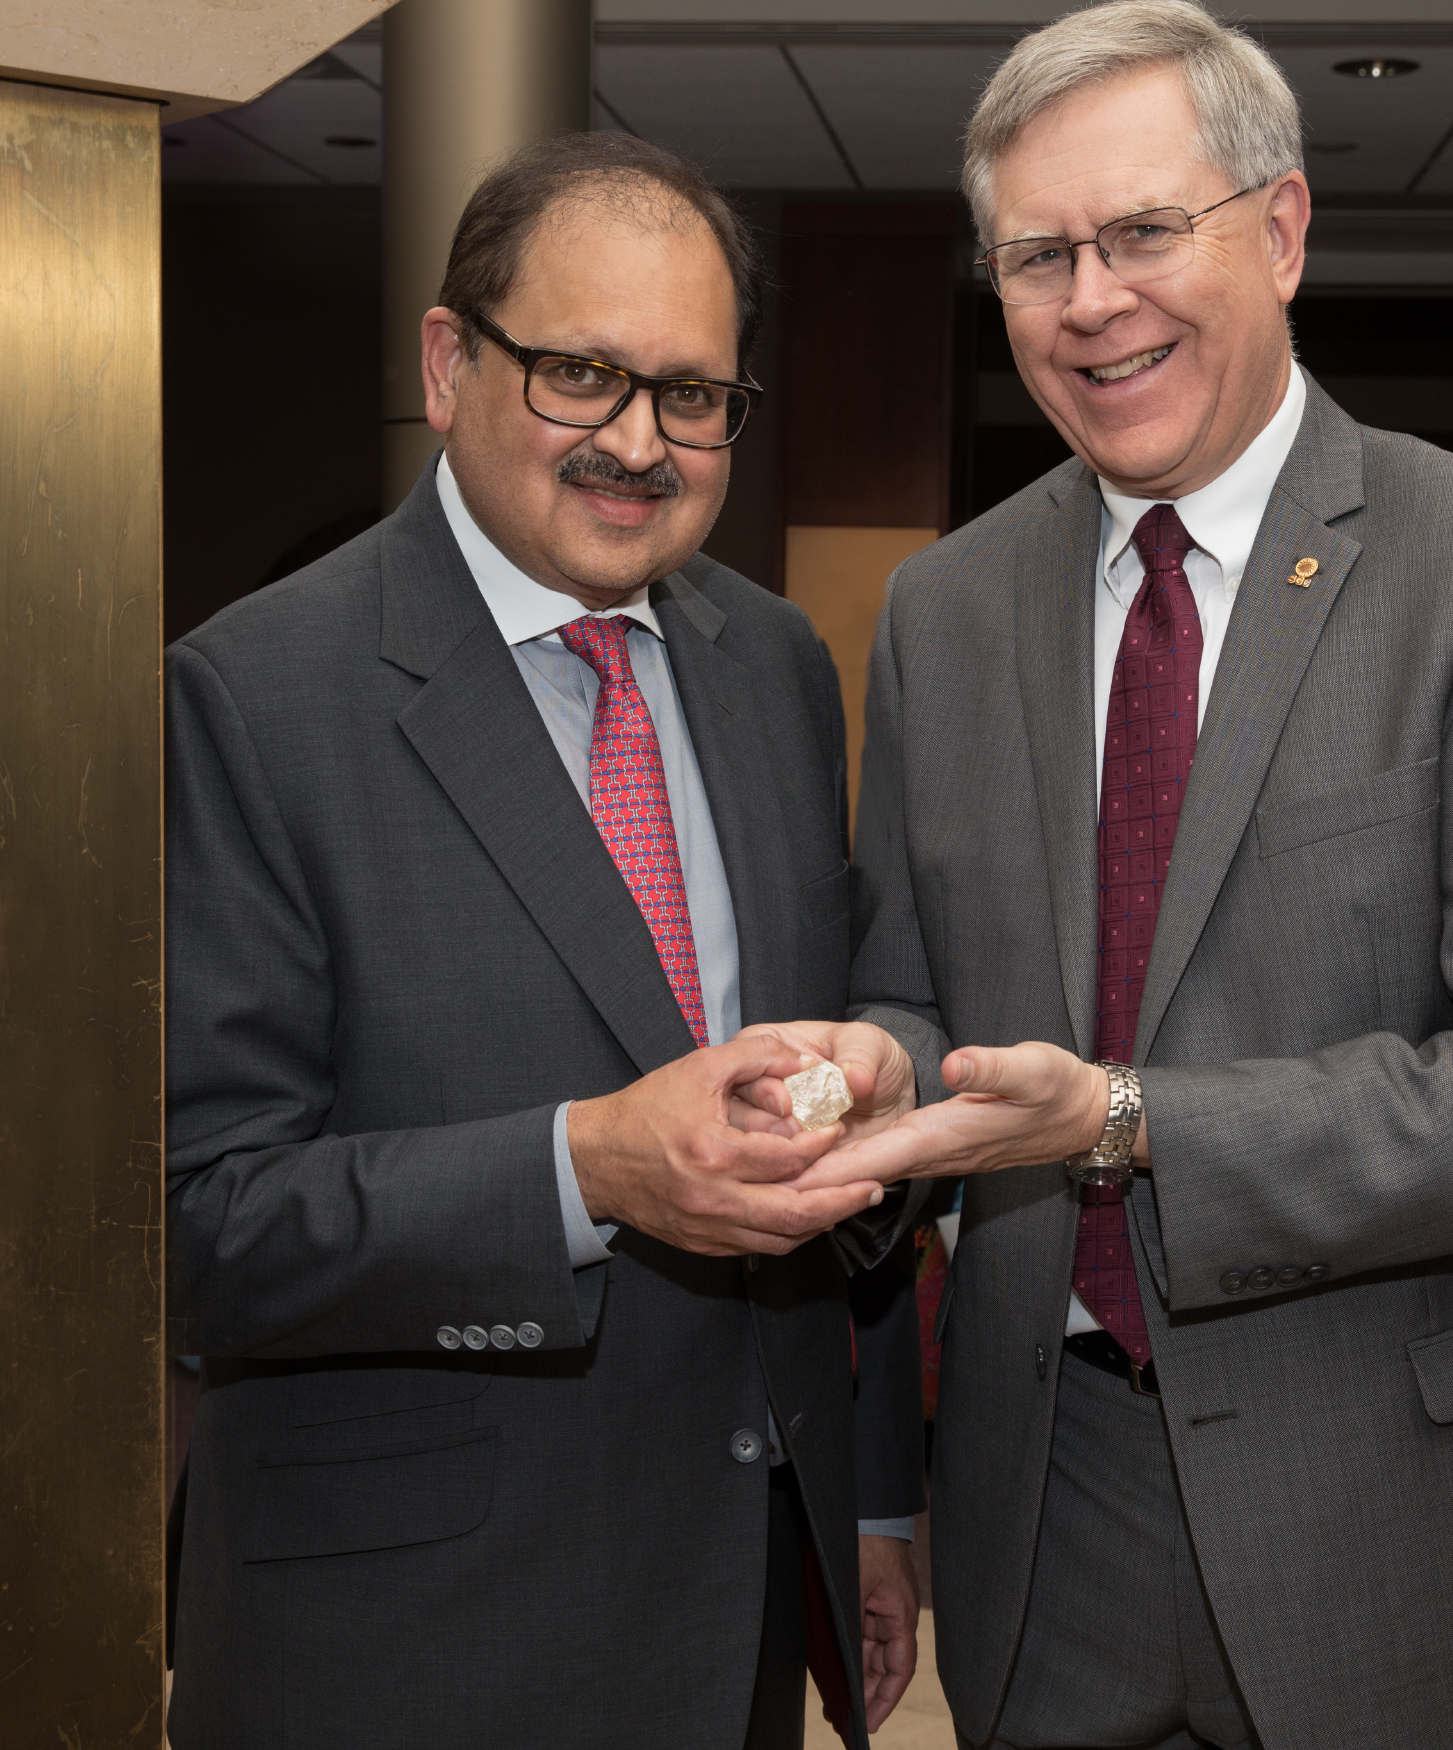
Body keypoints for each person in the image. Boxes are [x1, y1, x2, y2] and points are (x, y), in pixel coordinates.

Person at [788, 3, 1453, 1745]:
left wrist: (1131, 1119)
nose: (1091, 300)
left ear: (1280, 232)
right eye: (1037, 255)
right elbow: (911, 986)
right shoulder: (941, 611)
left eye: (1142, 230)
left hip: (1411, 1517)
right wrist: (871, 1070)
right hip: (1049, 1515)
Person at [164, 131, 923, 1750]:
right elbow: (198, 1222)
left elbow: (828, 1066)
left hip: (733, 1605)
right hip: (408, 1647)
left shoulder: (775, 664)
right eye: (582, 373)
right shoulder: (247, 696)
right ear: (449, 365)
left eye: (692, 394)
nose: (639, 442)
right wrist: (588, 1170)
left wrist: (865, 1498)